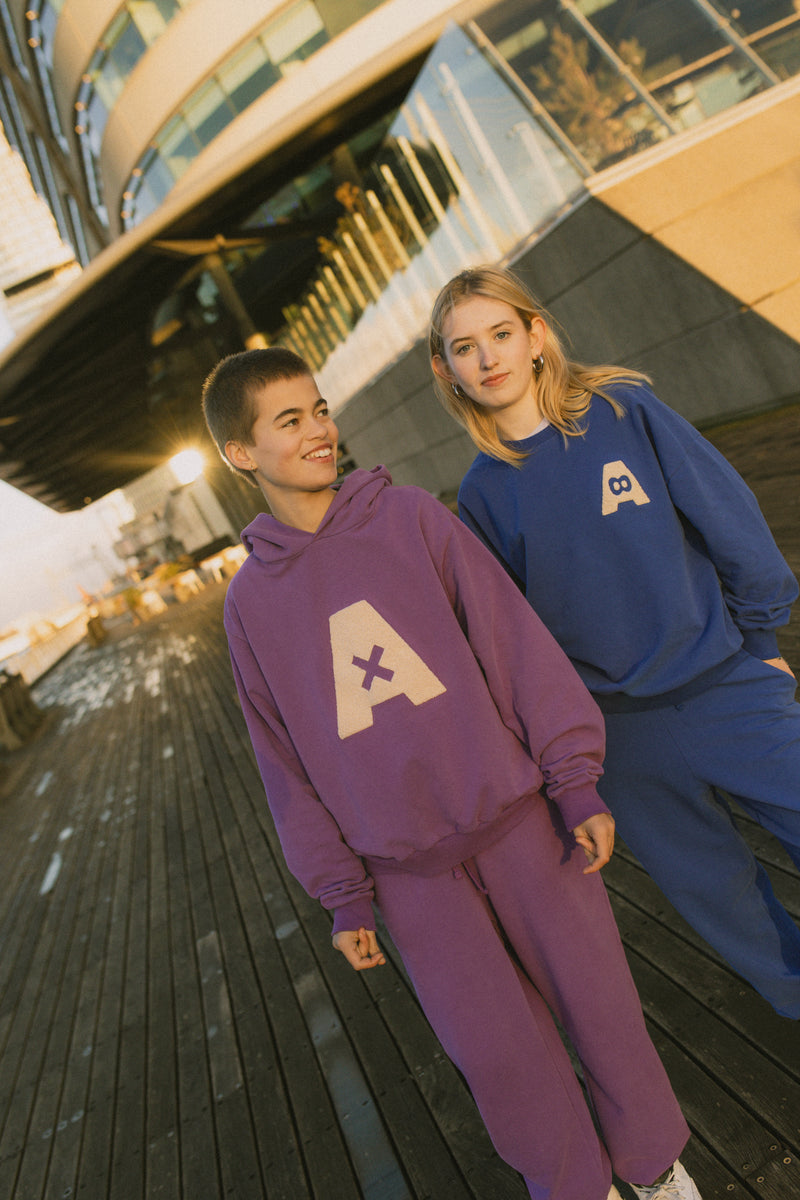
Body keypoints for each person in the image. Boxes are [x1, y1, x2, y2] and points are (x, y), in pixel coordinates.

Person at [201, 346, 701, 1200]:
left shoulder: (411, 520)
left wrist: (572, 777)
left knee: (604, 1014)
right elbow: (282, 763)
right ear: (242, 454)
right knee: (503, 1064)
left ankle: (657, 1171)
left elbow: (513, 647)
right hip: (410, 879)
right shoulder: (250, 604)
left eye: (319, 408)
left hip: (519, 824)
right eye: (291, 421)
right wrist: (342, 893)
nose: (321, 430)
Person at [429, 263, 800, 1024]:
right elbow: (516, 645)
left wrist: (762, 640)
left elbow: (732, 522)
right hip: (622, 739)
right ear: (447, 371)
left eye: (501, 334)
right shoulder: (481, 493)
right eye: (465, 348)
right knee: (721, 898)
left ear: (536, 336)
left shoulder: (624, 412)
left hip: (728, 684)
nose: (488, 357)